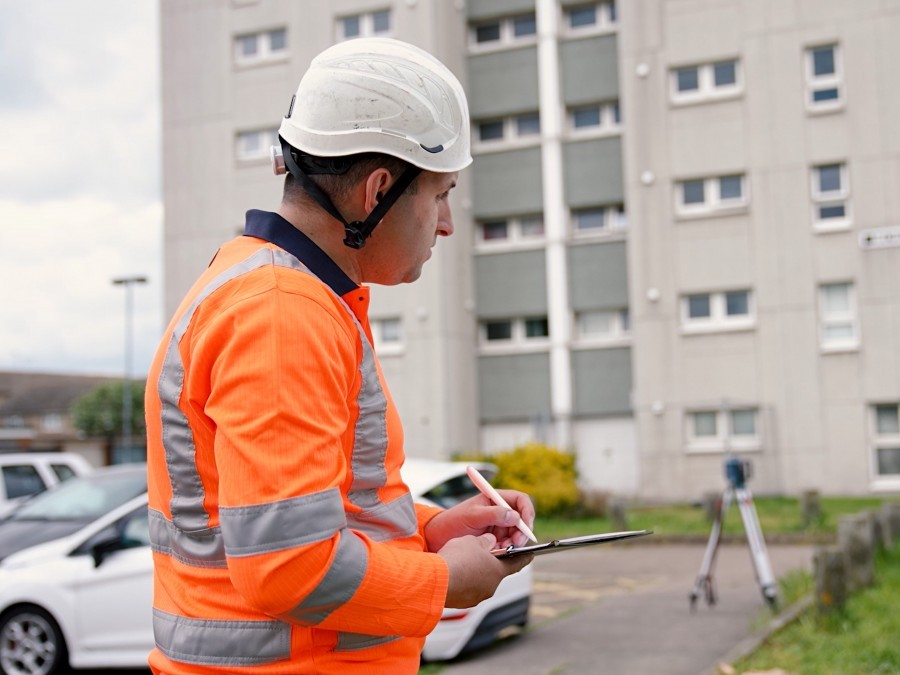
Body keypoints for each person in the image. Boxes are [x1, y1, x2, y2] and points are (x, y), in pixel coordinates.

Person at [144, 37, 535, 675]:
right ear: (377, 190)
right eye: (439, 194)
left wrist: (432, 529)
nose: (446, 223)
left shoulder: (279, 291)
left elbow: (317, 510)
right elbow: (288, 565)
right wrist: (442, 581)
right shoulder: (281, 313)